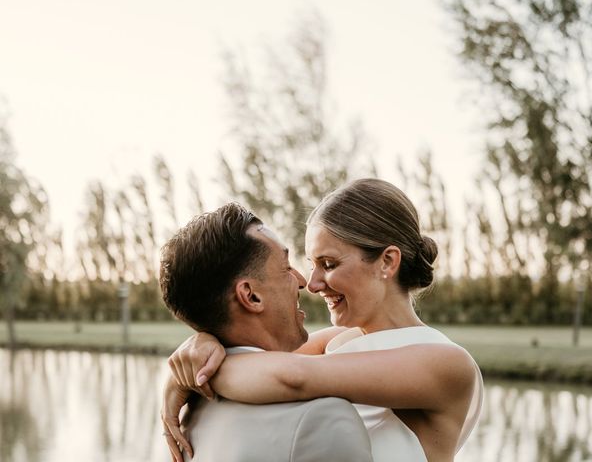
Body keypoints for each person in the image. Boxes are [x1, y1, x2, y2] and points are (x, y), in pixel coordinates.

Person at [164, 178, 483, 462]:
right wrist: (202, 343)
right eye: (311, 265)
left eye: (328, 264)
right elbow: (257, 357)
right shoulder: (336, 340)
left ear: (386, 262)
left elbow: (292, 378)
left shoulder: (445, 363)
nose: (312, 284)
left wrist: (193, 372)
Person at [159, 203, 374, 462]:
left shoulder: (186, 415)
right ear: (251, 296)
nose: (303, 281)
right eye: (286, 268)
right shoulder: (323, 418)